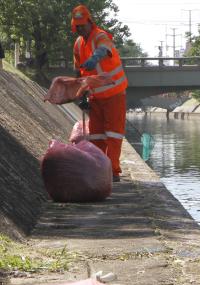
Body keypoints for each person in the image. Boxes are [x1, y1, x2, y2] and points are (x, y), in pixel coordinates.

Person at [71, 4, 128, 182]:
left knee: (113, 134)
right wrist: (81, 93)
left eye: (82, 25)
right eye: (77, 25)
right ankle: (98, 168)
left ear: (90, 22)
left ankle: (113, 172)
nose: (80, 28)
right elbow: (79, 72)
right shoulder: (79, 44)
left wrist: (95, 57)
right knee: (96, 135)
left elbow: (105, 49)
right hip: (96, 96)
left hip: (114, 94)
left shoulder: (100, 36)